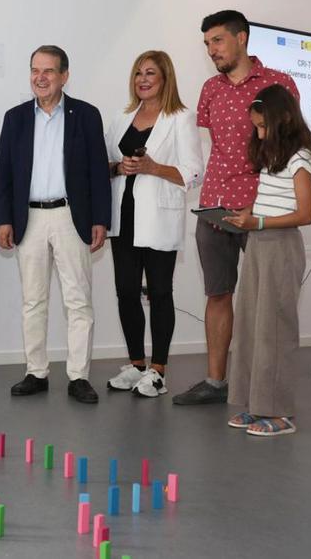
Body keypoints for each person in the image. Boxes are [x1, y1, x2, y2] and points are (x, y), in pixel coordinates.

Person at [173, 10, 300, 406]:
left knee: (263, 301)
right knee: (218, 294)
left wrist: (262, 195)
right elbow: (218, 146)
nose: (212, 50)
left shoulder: (279, 83)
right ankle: (216, 382)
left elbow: (290, 143)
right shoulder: (210, 89)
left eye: (217, 41)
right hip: (213, 204)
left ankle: (261, 389)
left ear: (241, 38)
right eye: (207, 44)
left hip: (261, 207)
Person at [0, 45, 110, 404]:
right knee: (33, 301)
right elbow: (5, 173)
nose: (40, 78)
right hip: (28, 217)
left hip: (70, 216)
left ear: (64, 75)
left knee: (78, 302)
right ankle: (36, 371)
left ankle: (78, 376)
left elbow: (98, 173)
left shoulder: (86, 115)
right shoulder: (15, 118)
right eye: (35, 70)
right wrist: (3, 219)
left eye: (48, 71)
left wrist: (101, 220)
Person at [104, 51, 203, 398]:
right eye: (137, 74)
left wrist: (153, 168)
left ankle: (158, 370)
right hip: (124, 217)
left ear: (165, 79)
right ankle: (136, 365)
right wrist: (119, 168)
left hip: (159, 217)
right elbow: (107, 164)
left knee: (160, 292)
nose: (142, 80)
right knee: (126, 292)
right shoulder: (121, 118)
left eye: (150, 74)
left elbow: (193, 173)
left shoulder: (181, 118)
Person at [222, 84, 311, 436]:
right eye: (256, 128)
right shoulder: (271, 158)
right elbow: (271, 202)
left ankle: (280, 412)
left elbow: (305, 213)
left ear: (284, 119)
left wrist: (259, 221)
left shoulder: (300, 158)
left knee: (275, 330)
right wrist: (250, 214)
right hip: (259, 244)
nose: (260, 134)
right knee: (250, 326)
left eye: (264, 127)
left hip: (281, 246)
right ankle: (256, 405)